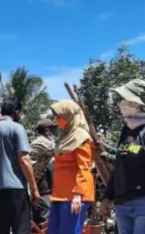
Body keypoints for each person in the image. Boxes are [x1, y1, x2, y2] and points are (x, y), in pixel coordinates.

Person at [100, 79, 145, 234]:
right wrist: (107, 197)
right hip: (123, 203)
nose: (122, 103)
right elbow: (119, 165)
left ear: (137, 104)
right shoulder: (127, 129)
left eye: (126, 99)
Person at [0, 99, 40, 234]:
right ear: (16, 112)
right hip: (16, 189)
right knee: (21, 228)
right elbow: (24, 160)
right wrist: (35, 190)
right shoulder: (17, 128)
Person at [48, 100, 95, 234]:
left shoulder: (81, 137)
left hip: (73, 196)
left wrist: (78, 194)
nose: (57, 120)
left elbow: (84, 168)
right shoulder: (65, 137)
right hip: (60, 196)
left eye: (59, 116)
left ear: (69, 116)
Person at [30, 119, 57, 227]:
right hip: (40, 183)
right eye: (53, 129)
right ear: (47, 130)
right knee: (45, 213)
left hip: (36, 182)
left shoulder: (35, 142)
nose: (54, 132)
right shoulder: (45, 143)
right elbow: (61, 153)